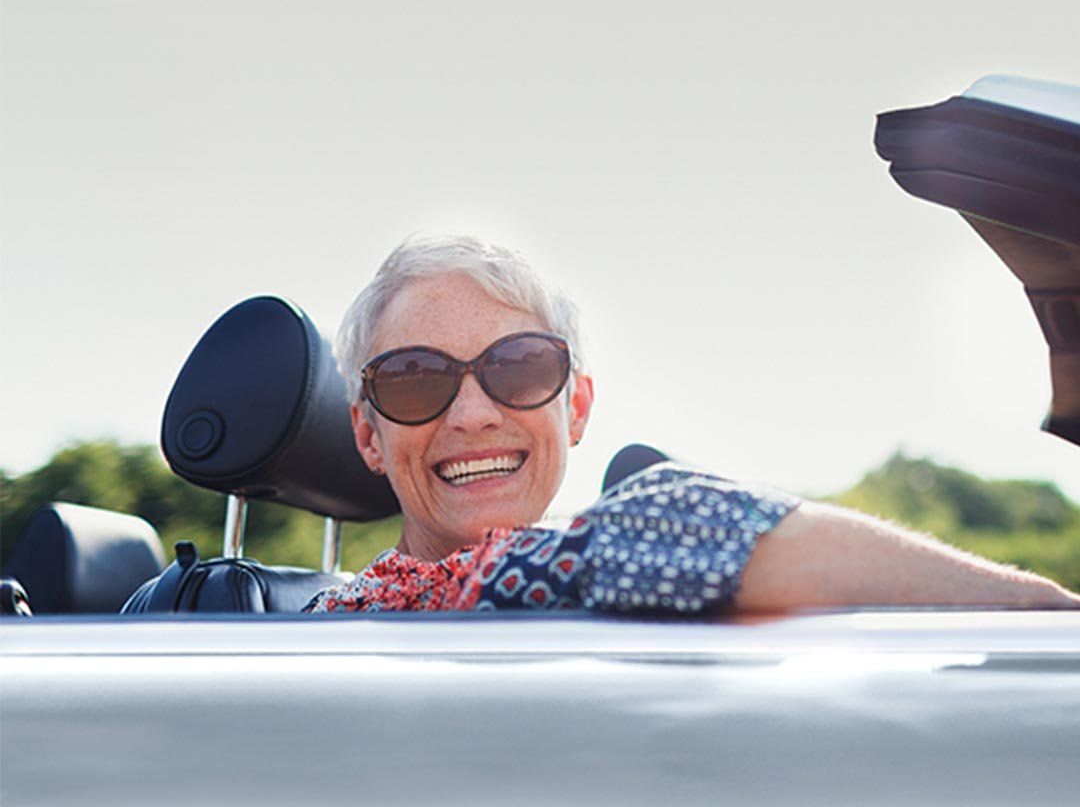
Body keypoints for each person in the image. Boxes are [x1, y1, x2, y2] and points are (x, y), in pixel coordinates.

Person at [305, 235, 1080, 614]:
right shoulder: (370, 609)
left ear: (576, 408)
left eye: (519, 366)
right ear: (369, 436)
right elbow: (664, 529)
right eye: (415, 378)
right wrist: (1055, 616)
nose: (474, 413)